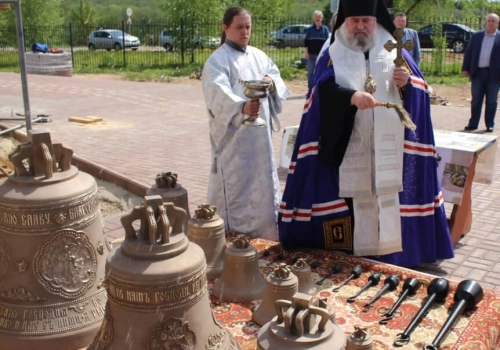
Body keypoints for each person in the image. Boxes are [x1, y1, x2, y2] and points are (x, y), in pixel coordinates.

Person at [278, 0, 454, 268]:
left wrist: (407, 84)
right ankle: (351, 251)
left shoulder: (393, 48)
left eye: (366, 21)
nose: (360, 26)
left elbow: (420, 92)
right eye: (354, 21)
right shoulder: (333, 51)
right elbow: (320, 94)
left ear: (376, 21)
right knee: (351, 199)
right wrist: (350, 97)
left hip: (389, 148)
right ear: (345, 22)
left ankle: (392, 253)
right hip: (348, 146)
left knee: (388, 196)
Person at [201, 6, 290, 241]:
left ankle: (265, 236)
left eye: (248, 27)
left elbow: (275, 74)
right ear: (225, 28)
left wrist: (271, 82)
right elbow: (215, 93)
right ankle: (234, 239)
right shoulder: (217, 61)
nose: (245, 32)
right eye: (239, 27)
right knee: (237, 191)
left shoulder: (259, 56)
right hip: (234, 143)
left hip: (261, 142)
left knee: (263, 189)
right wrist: (241, 107)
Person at [462, 13, 500, 133]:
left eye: (493, 21)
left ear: (497, 23)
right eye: (489, 20)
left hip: (494, 75)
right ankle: (473, 124)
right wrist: (466, 68)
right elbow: (469, 52)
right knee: (476, 99)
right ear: (486, 22)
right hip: (478, 73)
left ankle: (489, 124)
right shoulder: (477, 36)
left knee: (492, 101)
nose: (491, 23)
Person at [305, 10, 330, 92]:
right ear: (313, 19)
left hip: (322, 56)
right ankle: (310, 90)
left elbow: (328, 43)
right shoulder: (309, 30)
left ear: (322, 18)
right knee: (310, 74)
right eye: (316, 17)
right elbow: (306, 42)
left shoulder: (325, 29)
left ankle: (319, 90)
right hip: (311, 55)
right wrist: (306, 52)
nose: (317, 19)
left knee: (321, 73)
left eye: (319, 17)